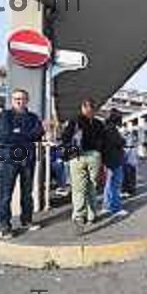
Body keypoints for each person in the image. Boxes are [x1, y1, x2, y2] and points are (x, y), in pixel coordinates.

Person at [0, 88, 45, 239]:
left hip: (28, 160)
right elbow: (5, 136)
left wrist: (17, 133)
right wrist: (27, 135)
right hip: (9, 160)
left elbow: (39, 134)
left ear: (27, 100)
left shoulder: (33, 117)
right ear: (12, 100)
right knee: (6, 195)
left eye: (22, 99)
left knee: (27, 193)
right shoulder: (5, 115)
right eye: (16, 99)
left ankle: (27, 220)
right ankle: (4, 225)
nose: (19, 101)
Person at [61, 98, 105, 235]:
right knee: (87, 186)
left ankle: (83, 215)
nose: (89, 110)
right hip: (85, 156)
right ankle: (87, 215)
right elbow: (65, 138)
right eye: (88, 108)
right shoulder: (95, 123)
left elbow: (65, 138)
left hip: (82, 157)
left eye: (91, 108)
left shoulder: (75, 121)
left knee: (83, 187)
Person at [101, 109, 128, 217]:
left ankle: (107, 206)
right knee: (115, 184)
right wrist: (123, 139)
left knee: (109, 184)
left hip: (108, 160)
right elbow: (120, 142)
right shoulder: (111, 129)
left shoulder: (105, 128)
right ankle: (115, 208)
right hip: (114, 160)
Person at [122, 128, 138, 196]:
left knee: (130, 172)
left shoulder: (133, 136)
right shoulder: (131, 136)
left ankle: (131, 190)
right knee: (126, 173)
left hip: (130, 153)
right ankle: (127, 189)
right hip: (127, 152)